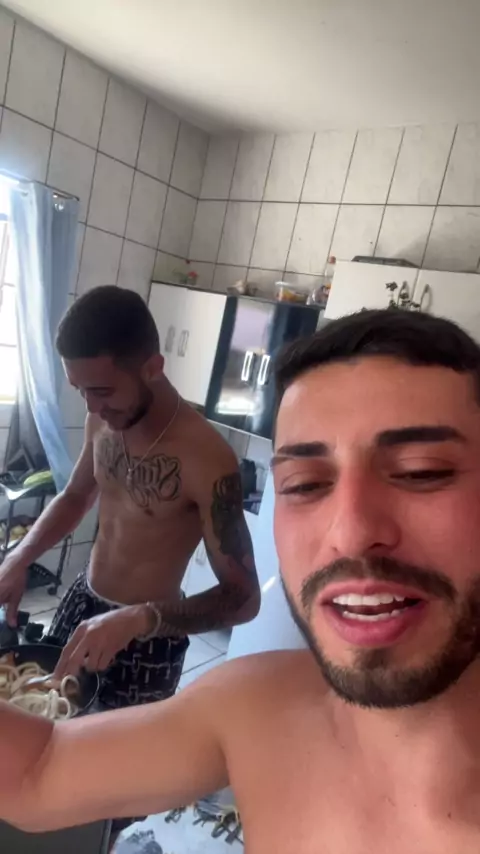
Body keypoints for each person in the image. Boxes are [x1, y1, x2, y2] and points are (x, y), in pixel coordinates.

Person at [2, 307, 480, 852]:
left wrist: (142, 618)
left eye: (422, 471)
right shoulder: (254, 707)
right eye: (305, 483)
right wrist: (17, 560)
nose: (350, 532)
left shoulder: (206, 457)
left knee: (114, 812)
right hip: (85, 603)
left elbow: (242, 597)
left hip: (145, 637)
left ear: (153, 367)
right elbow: (40, 768)